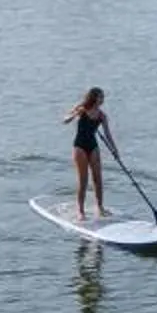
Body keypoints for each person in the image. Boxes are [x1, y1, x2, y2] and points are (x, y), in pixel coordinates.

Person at [62, 88, 117, 221]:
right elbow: (65, 120)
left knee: (98, 179)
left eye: (103, 97)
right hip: (79, 147)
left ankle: (100, 207)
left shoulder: (102, 116)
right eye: (100, 97)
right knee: (83, 180)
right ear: (93, 98)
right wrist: (75, 114)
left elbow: (108, 135)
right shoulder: (81, 109)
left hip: (93, 146)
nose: (102, 100)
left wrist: (115, 150)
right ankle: (81, 211)